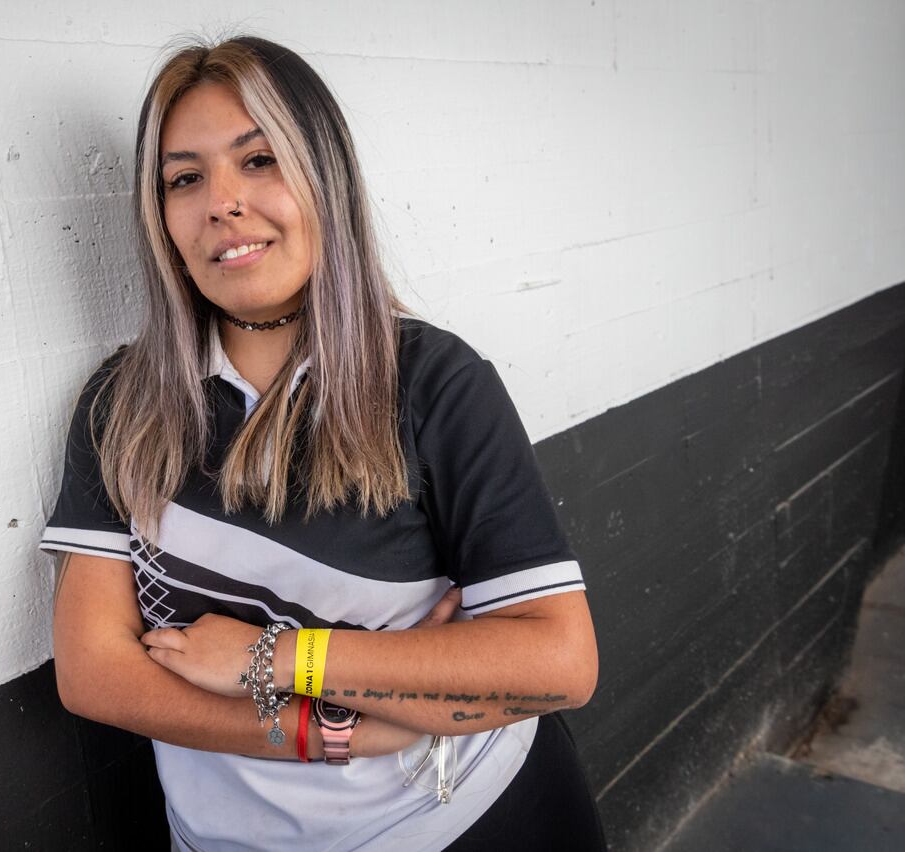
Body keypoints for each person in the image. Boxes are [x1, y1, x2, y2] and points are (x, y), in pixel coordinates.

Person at [41, 35, 607, 851]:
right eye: (185, 177)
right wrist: (329, 728)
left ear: (325, 178)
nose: (222, 202)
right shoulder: (121, 405)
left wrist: (276, 661)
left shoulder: (432, 379)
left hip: (477, 816)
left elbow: (557, 662)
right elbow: (95, 674)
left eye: (260, 159)